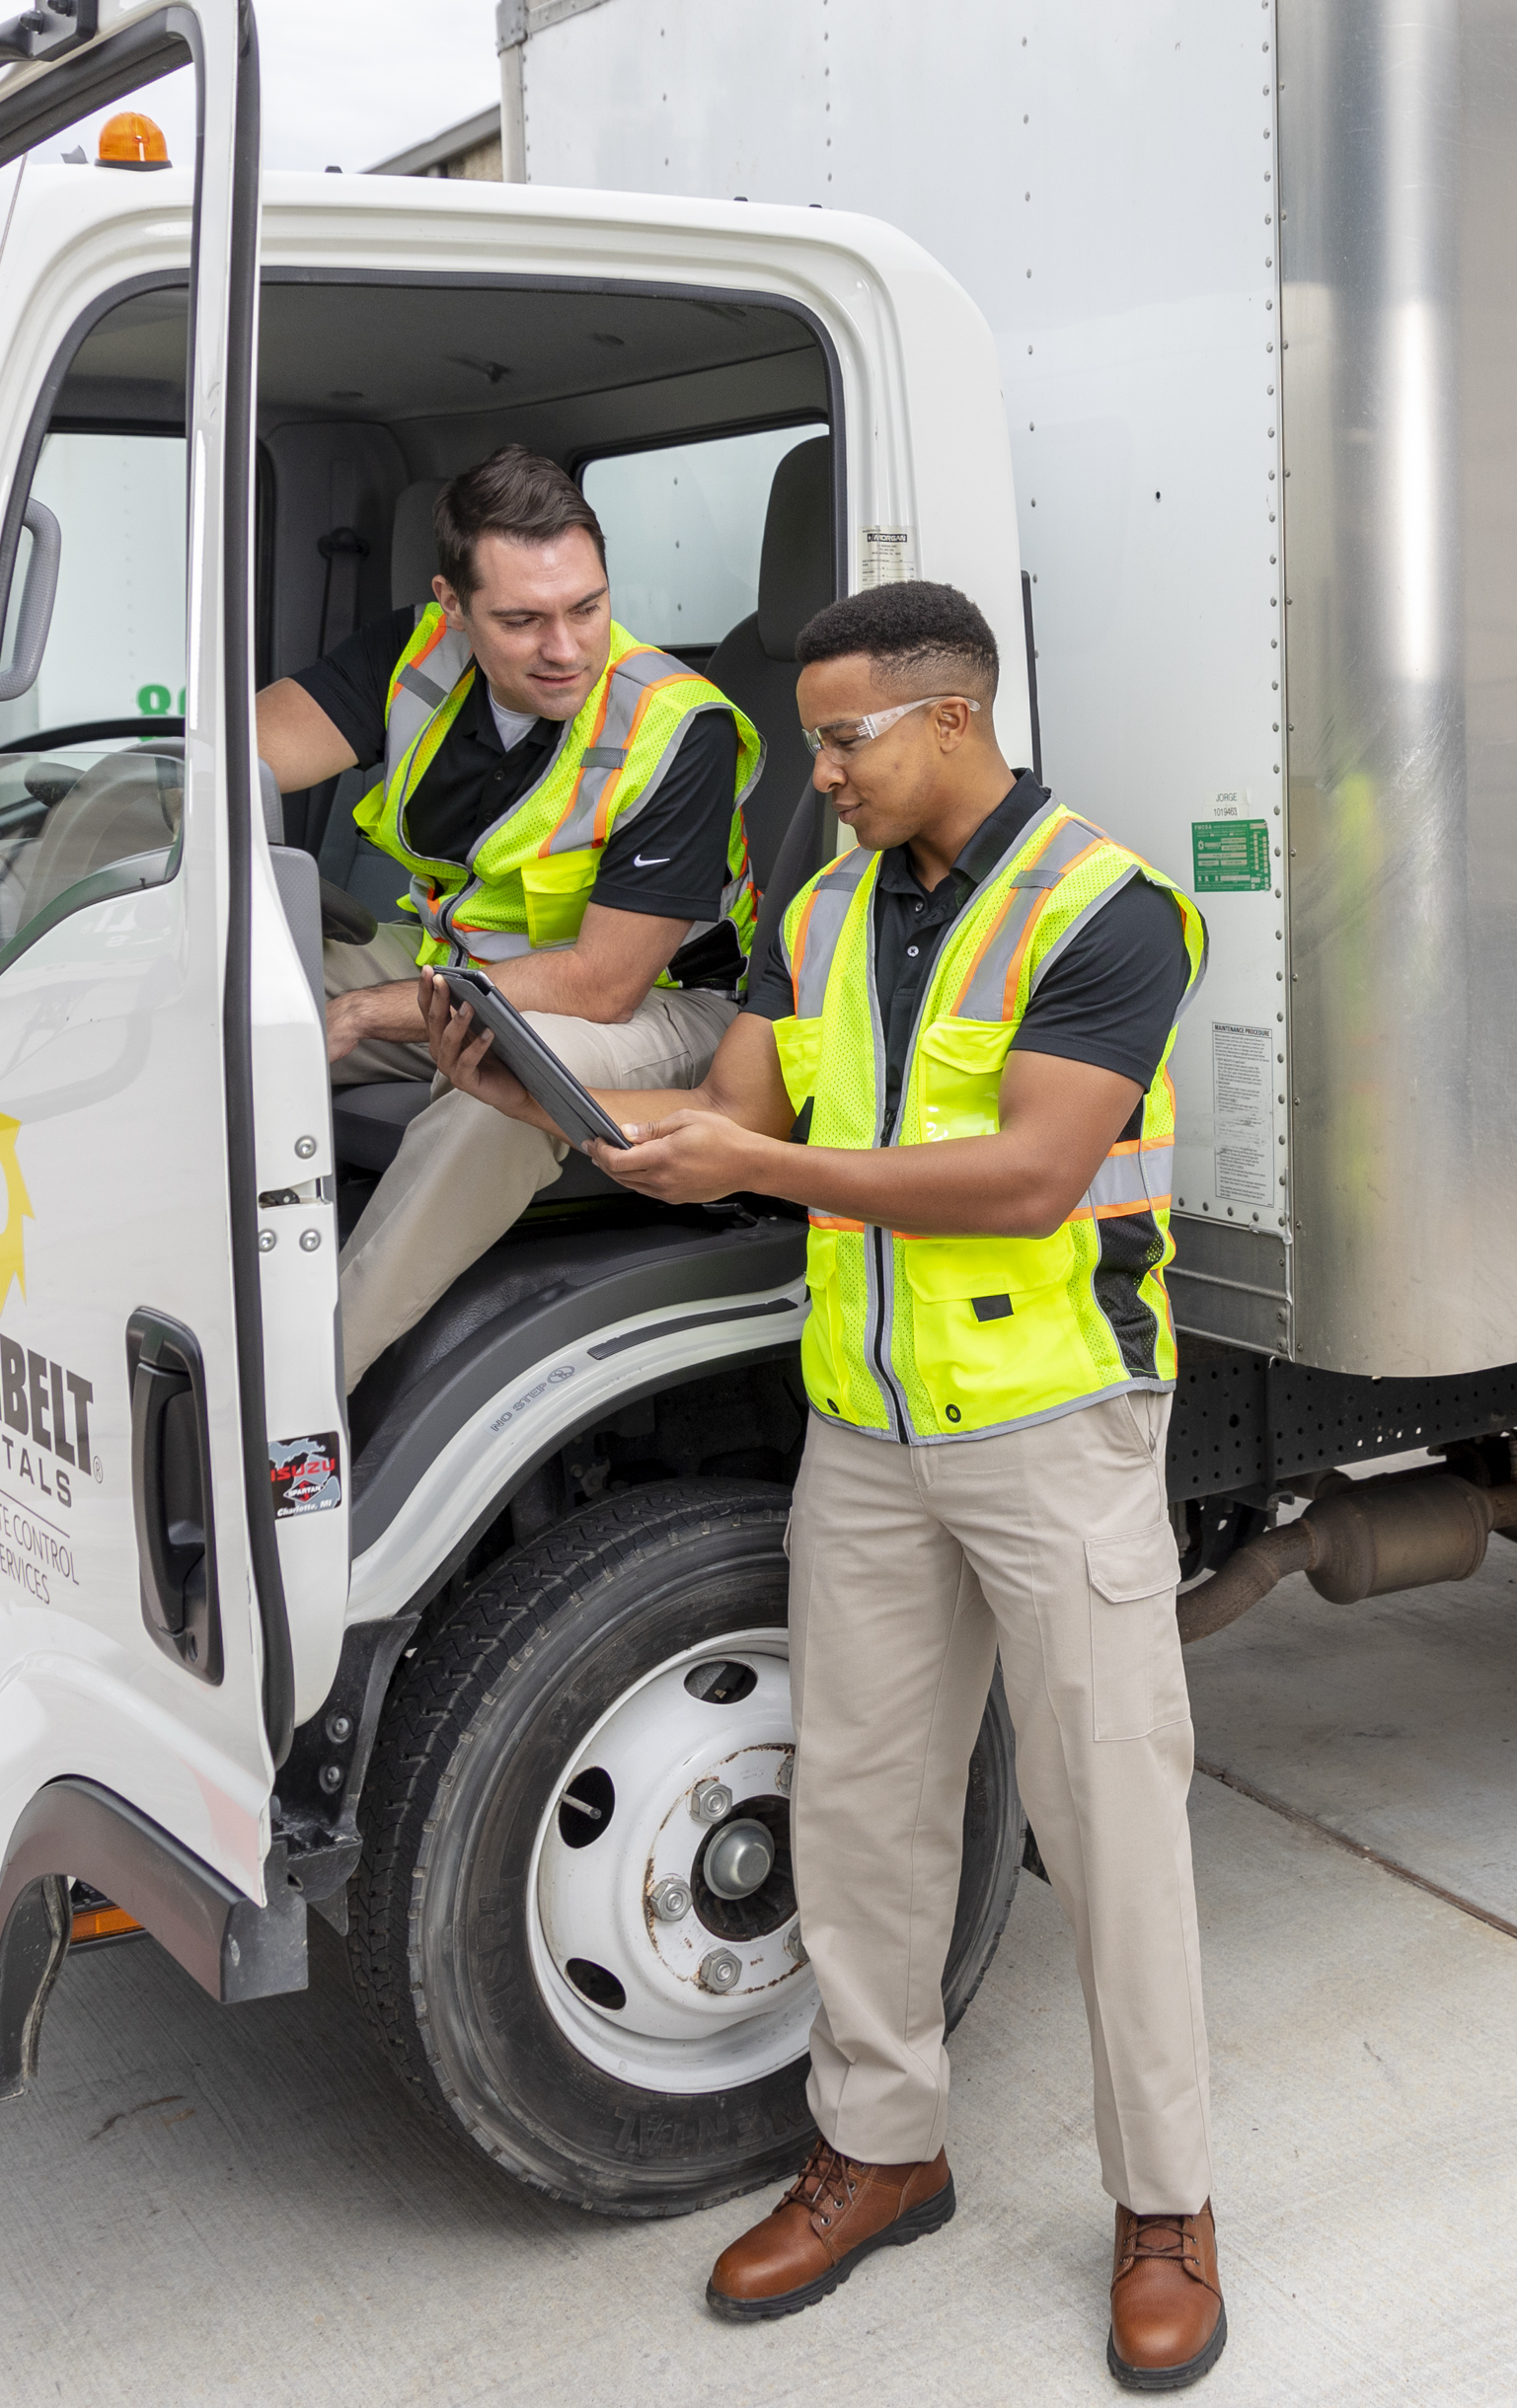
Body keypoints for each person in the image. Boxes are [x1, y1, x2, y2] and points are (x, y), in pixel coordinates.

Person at [422, 578, 1229, 2391]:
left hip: (1054, 1428)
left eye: (846, 740)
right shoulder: (823, 904)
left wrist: (766, 1161)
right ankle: (882, 2147)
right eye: (813, 744)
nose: (824, 775)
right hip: (864, 1429)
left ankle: (1165, 2208)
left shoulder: (1111, 912)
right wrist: (568, 1112)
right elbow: (730, 1110)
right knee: (863, 1812)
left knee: (1111, 1830)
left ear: (954, 719)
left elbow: (1029, 1176)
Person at [256, 445, 761, 1382]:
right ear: (454, 605)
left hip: (656, 1006)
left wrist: (367, 1011)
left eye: (587, 609)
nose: (565, 649)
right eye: (522, 621)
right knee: (225, 992)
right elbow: (230, 770)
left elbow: (602, 986)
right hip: (465, 964)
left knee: (521, 1090)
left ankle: (303, 1385)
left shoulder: (677, 727)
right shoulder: (414, 653)